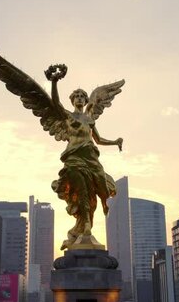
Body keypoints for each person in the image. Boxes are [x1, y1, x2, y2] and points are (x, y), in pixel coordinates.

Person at [46, 71, 123, 250]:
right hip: (74, 159)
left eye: (83, 96)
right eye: (76, 96)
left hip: (91, 159)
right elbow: (55, 103)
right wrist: (54, 82)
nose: (80, 98)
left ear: (86, 100)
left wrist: (115, 142)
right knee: (82, 192)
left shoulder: (89, 119)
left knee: (96, 191)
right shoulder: (67, 116)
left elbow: (98, 139)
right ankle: (86, 226)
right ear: (72, 100)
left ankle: (80, 229)